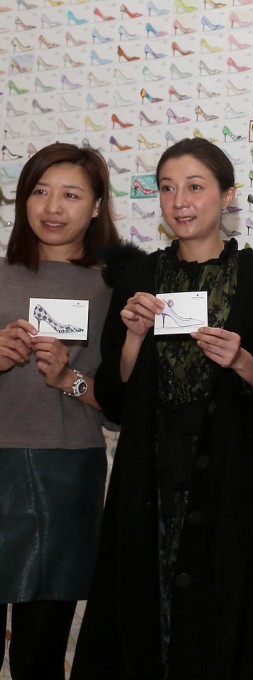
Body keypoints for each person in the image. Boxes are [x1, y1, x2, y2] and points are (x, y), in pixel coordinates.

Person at [71, 138, 253, 679]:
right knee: (140, 610)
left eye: (195, 186)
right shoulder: (135, 278)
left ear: (227, 196)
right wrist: (132, 336)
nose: (180, 201)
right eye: (167, 188)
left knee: (225, 614)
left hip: (230, 473)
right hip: (147, 470)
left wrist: (241, 359)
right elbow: (117, 399)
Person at [0, 143, 118, 679]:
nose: (53, 207)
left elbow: (118, 408)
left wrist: (67, 379)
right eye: (40, 192)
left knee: (39, 652)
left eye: (71, 195)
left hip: (66, 473)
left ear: (95, 207)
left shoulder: (113, 287)